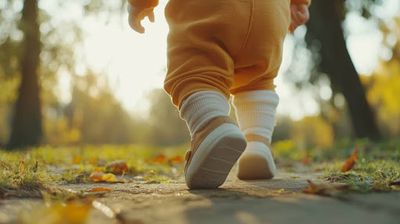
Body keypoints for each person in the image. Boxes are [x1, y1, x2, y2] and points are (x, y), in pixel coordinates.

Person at [128, 0, 310, 189]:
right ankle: (257, 144)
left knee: (196, 69)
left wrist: (139, 4)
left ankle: (210, 123)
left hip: (213, 7)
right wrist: (299, 3)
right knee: (259, 79)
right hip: (270, 16)